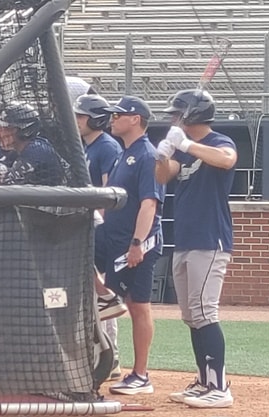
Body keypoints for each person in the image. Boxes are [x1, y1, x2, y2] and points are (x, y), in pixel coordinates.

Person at [155, 89, 237, 408]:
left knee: (205, 311)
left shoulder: (218, 142)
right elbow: (162, 176)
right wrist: (163, 153)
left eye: (177, 114)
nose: (173, 119)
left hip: (209, 238)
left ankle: (219, 386)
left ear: (191, 116)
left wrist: (186, 144)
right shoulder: (183, 151)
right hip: (186, 239)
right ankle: (204, 381)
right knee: (191, 316)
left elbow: (227, 160)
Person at [94, 95, 165, 395]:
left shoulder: (147, 155)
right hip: (114, 241)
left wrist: (137, 243)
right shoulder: (124, 153)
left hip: (134, 245)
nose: (112, 118)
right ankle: (105, 299)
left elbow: (149, 203)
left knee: (139, 306)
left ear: (135, 119)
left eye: (118, 114)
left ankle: (141, 374)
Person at [73, 93, 125, 380]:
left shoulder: (106, 146)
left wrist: (98, 225)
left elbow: (108, 191)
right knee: (93, 296)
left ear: (97, 119)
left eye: (82, 117)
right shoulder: (87, 146)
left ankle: (112, 356)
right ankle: (102, 354)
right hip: (89, 225)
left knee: (103, 297)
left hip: (101, 228)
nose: (79, 121)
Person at [0, 101, 68, 186]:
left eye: (5, 127)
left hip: (56, 203)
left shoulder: (39, 149)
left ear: (23, 129)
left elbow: (10, 184)